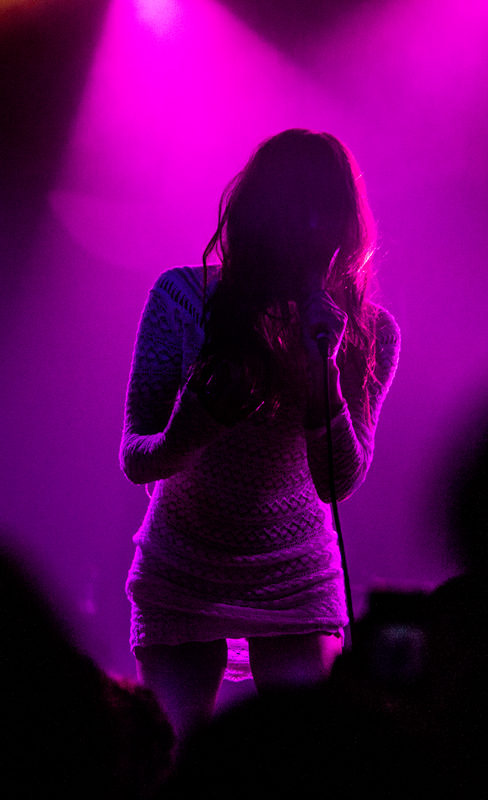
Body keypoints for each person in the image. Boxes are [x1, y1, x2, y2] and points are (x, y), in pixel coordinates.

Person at [120, 129, 400, 741]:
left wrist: (323, 365)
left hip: (294, 569)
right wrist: (189, 430)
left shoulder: (367, 331)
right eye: (291, 209)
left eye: (321, 212)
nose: (305, 230)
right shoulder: (183, 298)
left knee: (300, 757)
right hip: (184, 562)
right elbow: (137, 457)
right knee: (173, 752)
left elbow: (338, 481)